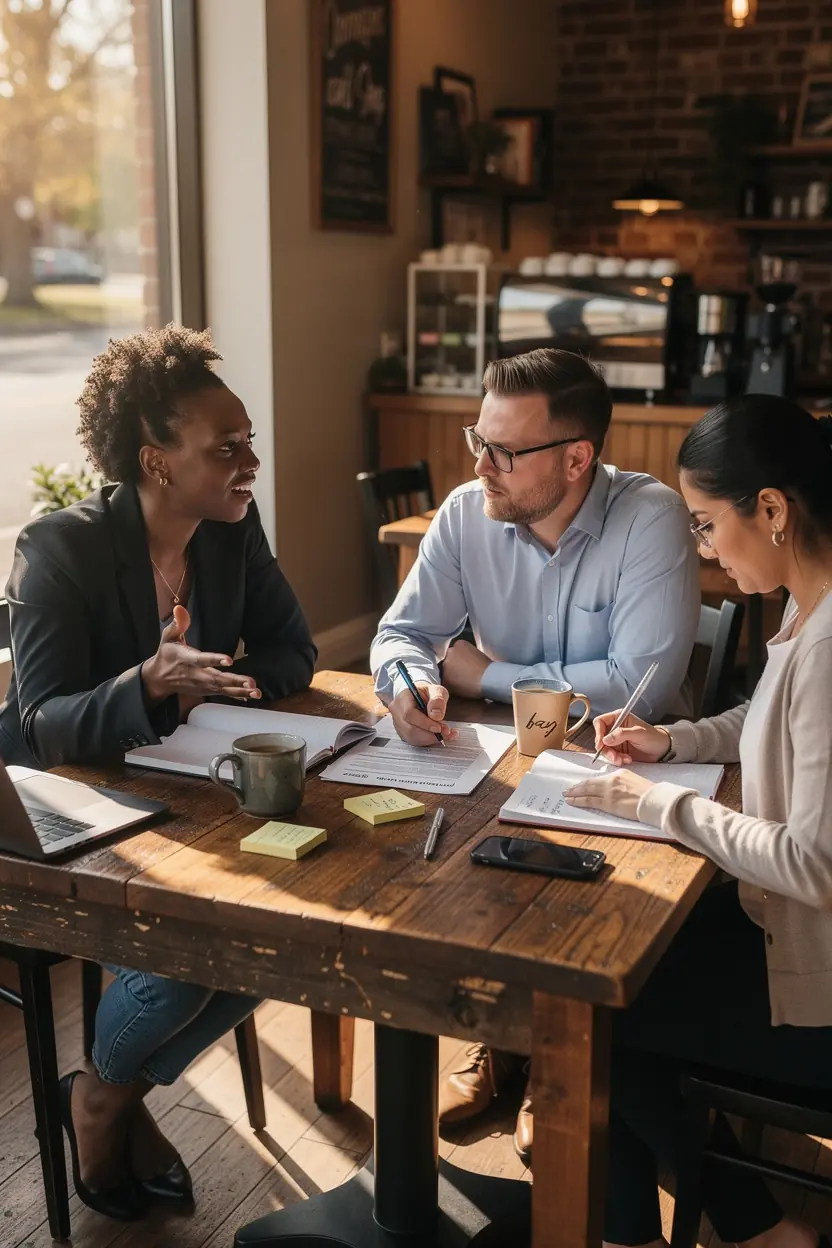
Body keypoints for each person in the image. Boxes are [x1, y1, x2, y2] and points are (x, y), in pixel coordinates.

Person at [0, 324, 316, 1220]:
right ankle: (101, 1097)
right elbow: (41, 724)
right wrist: (145, 684)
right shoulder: (59, 549)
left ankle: (103, 1093)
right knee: (204, 940)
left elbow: (293, 645)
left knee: (288, 926)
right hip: (61, 810)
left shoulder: (229, 530)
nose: (250, 461)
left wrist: (212, 682)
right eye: (228, 448)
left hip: (181, 792)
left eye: (249, 440)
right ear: (156, 460)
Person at [370, 348, 700, 1156]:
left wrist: (491, 672)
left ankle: (553, 1064)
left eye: (503, 452)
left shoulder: (651, 516)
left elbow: (636, 689)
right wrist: (412, 684)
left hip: (631, 767)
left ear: (578, 456)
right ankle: (505, 1040)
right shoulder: (462, 513)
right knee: (439, 872)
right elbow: (402, 634)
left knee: (582, 914)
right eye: (476, 440)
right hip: (495, 760)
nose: (480, 464)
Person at [564, 394, 832, 1248]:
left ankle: (751, 1229)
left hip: (819, 985)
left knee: (598, 1012)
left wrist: (659, 803)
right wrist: (670, 738)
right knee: (612, 957)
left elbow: (812, 864)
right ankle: (635, 1228)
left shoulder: (828, 647)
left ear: (774, 510)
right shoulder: (809, 601)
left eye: (708, 525)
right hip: (788, 932)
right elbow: (763, 715)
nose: (704, 549)